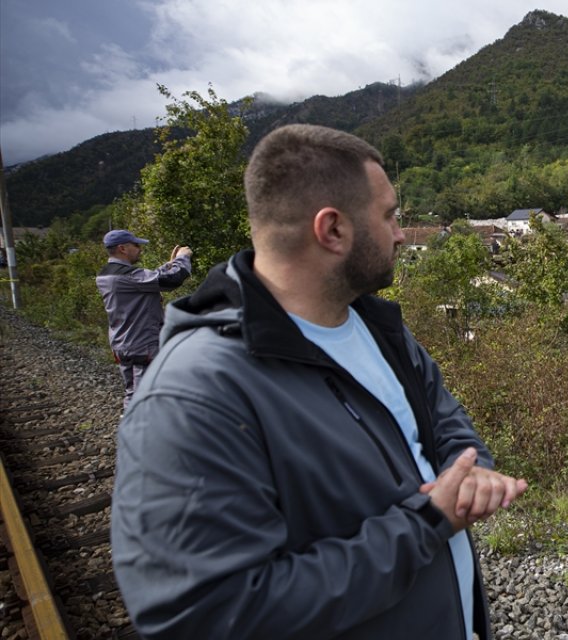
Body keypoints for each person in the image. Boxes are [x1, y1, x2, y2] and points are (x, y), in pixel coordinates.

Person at [110, 124, 528, 639]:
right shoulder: (196, 394)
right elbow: (206, 614)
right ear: (332, 230)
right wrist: (426, 524)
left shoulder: (378, 328)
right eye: (390, 216)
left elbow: (446, 422)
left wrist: (473, 473)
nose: (401, 233)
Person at [95, 229, 192, 409]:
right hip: (141, 345)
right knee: (146, 398)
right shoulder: (128, 275)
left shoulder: (106, 274)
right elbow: (172, 280)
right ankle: (143, 432)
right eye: (136, 245)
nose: (140, 249)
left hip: (122, 343)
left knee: (132, 393)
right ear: (123, 248)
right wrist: (182, 258)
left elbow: (148, 280)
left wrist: (169, 264)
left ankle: (129, 428)